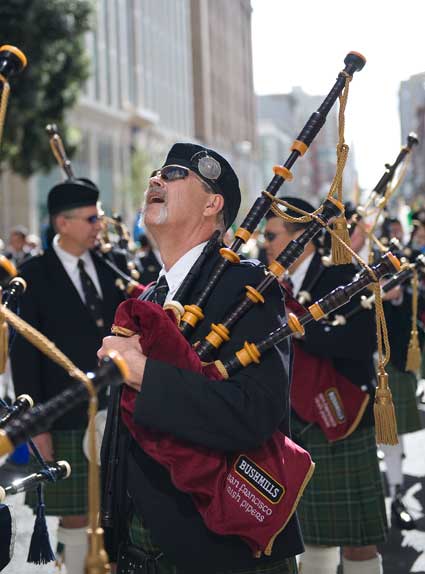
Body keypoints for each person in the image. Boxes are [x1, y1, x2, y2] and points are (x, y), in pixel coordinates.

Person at [98, 143, 303, 574]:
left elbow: (253, 414)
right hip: (136, 548)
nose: (155, 179)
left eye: (173, 175)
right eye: (156, 173)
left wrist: (143, 374)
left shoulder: (247, 289)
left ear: (213, 204)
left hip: (218, 549)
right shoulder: (152, 297)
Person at [263, 197, 387, 574]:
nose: (264, 243)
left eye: (272, 235)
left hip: (343, 413)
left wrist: (300, 328)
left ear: (303, 238)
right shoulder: (269, 286)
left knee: (358, 541)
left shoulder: (341, 276)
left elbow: (364, 341)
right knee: (311, 537)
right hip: (294, 422)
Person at [9, 178, 124, 574]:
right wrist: (36, 426)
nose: (99, 225)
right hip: (63, 415)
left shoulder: (114, 265)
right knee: (75, 517)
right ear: (63, 223)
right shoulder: (33, 274)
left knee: (113, 511)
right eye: (92, 218)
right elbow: (23, 357)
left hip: (119, 410)